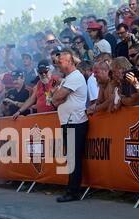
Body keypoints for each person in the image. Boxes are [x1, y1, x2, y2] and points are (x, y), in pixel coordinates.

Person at [52, 49, 89, 203]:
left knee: (73, 158)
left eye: (60, 62)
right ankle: (72, 189)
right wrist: (57, 97)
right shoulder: (68, 78)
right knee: (71, 157)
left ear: (69, 61)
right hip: (69, 122)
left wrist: (58, 97)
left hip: (75, 122)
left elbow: (57, 97)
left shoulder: (74, 77)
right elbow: (55, 99)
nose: (58, 65)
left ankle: (73, 191)